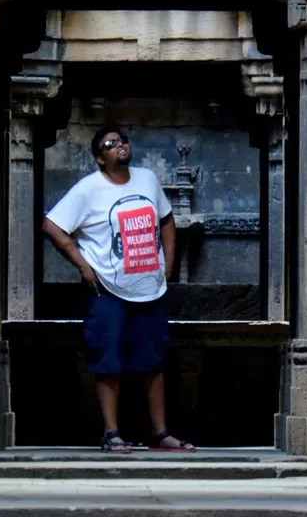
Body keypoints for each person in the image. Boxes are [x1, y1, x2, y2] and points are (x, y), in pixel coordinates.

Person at [42, 127, 196, 453]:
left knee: (153, 362)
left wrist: (167, 264)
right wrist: (83, 266)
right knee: (107, 361)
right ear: (101, 158)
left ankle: (160, 433)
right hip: (108, 291)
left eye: (122, 139)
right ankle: (111, 433)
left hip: (149, 290)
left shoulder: (147, 180)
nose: (119, 145)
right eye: (110, 144)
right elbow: (52, 225)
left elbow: (166, 220)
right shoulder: (88, 190)